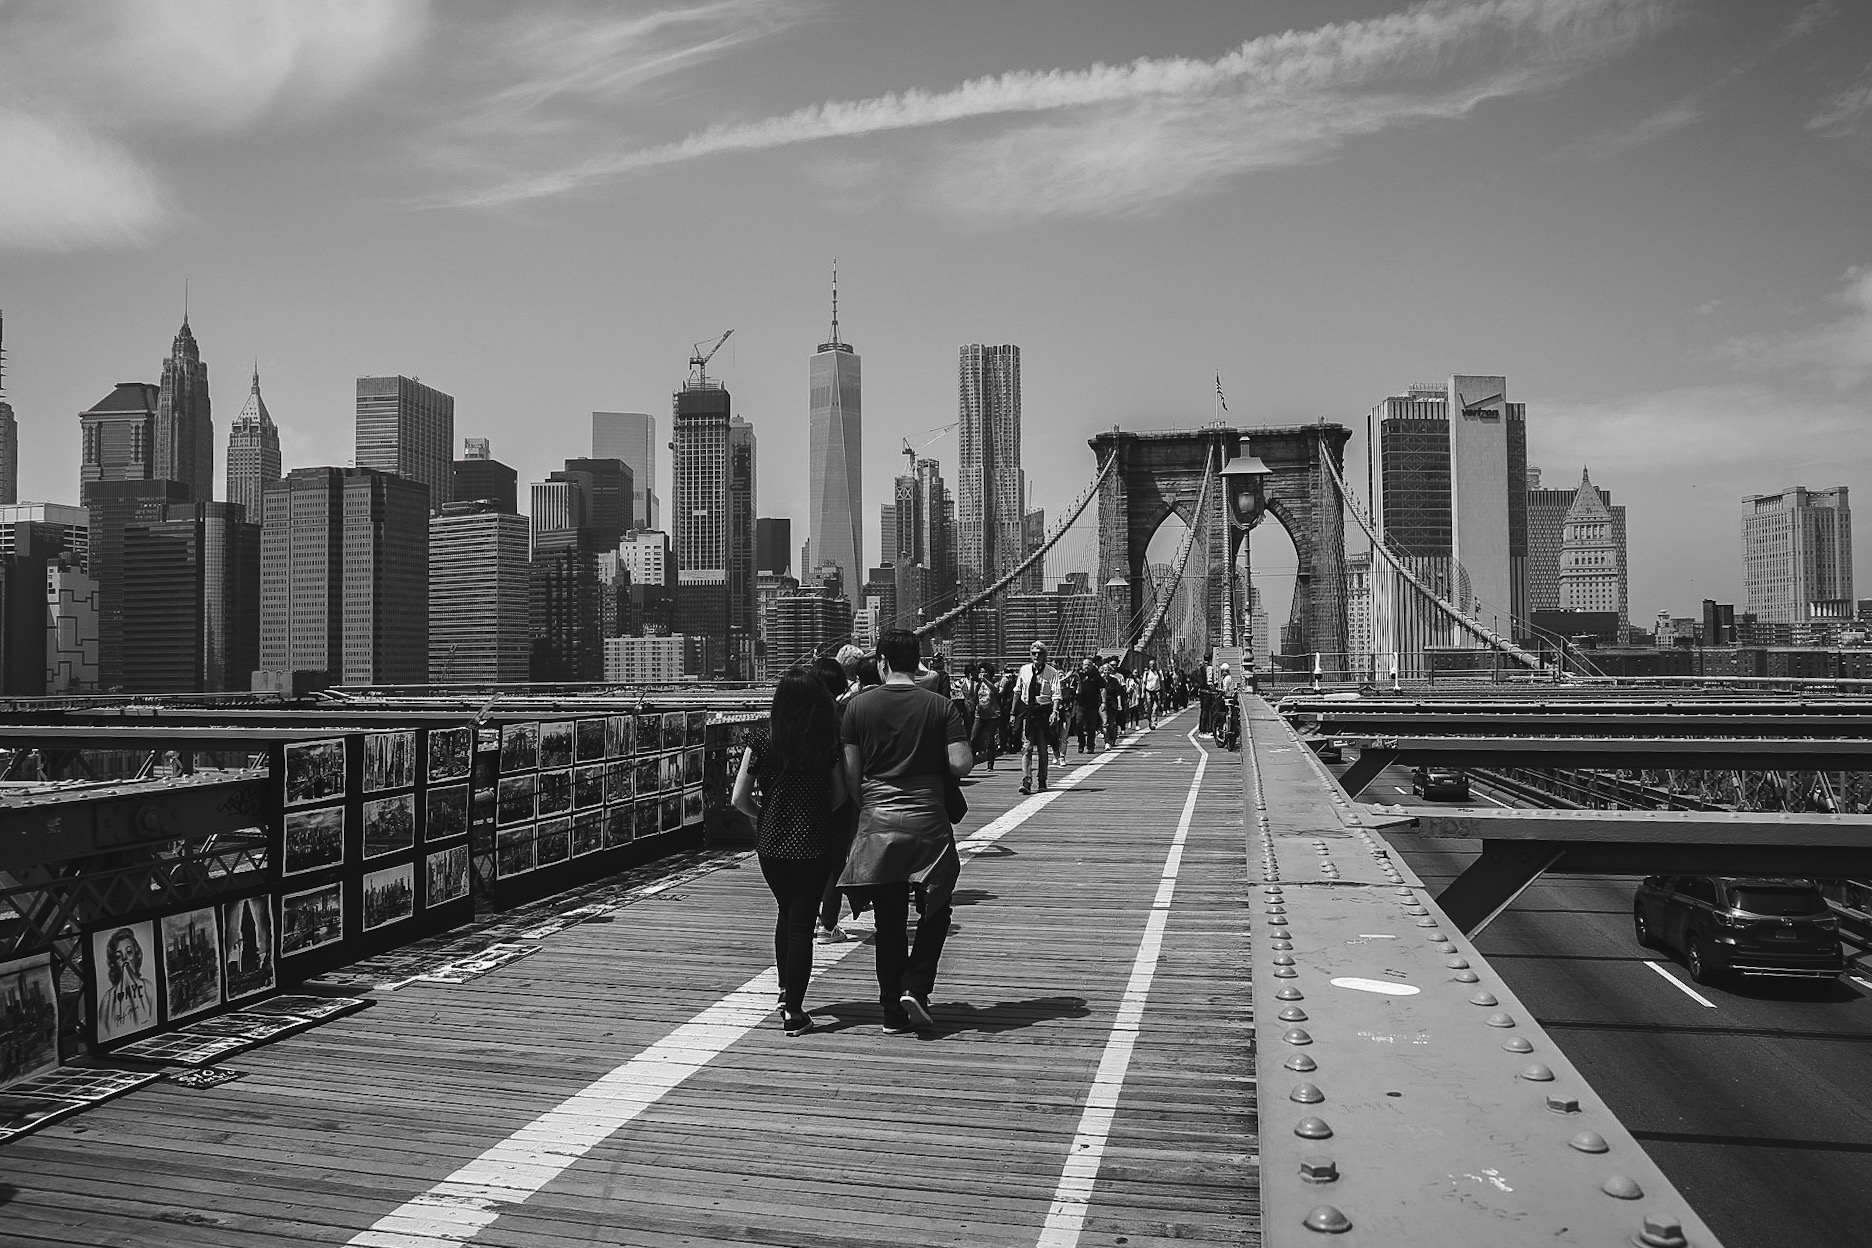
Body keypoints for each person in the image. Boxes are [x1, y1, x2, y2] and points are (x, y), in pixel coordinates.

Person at [838, 629, 973, 1033]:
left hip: (878, 823)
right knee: (937, 908)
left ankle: (891, 1013)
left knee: (889, 921)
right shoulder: (941, 707)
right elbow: (962, 764)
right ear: (917, 664)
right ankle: (915, 984)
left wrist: (872, 808)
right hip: (928, 823)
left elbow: (850, 775)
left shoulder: (857, 709)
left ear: (880, 662)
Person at [732, 669, 850, 1036]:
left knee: (786, 913)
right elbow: (840, 796)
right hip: (813, 844)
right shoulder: (825, 743)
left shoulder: (762, 741)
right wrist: (813, 814)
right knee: (802, 922)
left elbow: (738, 798)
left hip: (771, 846)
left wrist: (765, 816)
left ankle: (785, 993)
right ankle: (793, 1009)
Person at [811, 656, 860, 944]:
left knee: (812, 860)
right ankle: (828, 924)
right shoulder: (841, 713)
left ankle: (811, 918)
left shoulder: (801, 715)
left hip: (807, 798)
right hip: (838, 795)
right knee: (835, 861)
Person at [1012, 641, 1063, 794]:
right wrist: (1013, 714)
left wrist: (1054, 712)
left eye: (1039, 653)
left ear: (1044, 655)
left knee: (1042, 749)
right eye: (1033, 653)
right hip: (1028, 711)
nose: (1036, 656)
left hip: (1043, 711)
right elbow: (1017, 692)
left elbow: (1056, 694)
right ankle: (1026, 780)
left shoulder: (1052, 672)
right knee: (1026, 747)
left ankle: (1042, 780)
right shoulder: (1024, 670)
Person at [970, 662, 1001, 770]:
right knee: (973, 739)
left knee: (990, 740)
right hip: (980, 714)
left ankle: (990, 763)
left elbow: (996, 690)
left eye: (985, 672)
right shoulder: (978, 684)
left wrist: (985, 681)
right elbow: (973, 695)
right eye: (981, 672)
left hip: (992, 715)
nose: (983, 674)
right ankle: (971, 761)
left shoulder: (994, 683)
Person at [1071, 656, 1105, 753]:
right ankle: (1081, 743)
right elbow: (1072, 687)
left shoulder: (1096, 676)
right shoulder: (1078, 675)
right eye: (1085, 665)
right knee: (1079, 725)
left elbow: (1102, 689)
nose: (1087, 667)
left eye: (1089, 665)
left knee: (1091, 726)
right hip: (1080, 704)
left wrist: (1103, 702)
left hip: (1092, 705)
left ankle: (1090, 746)